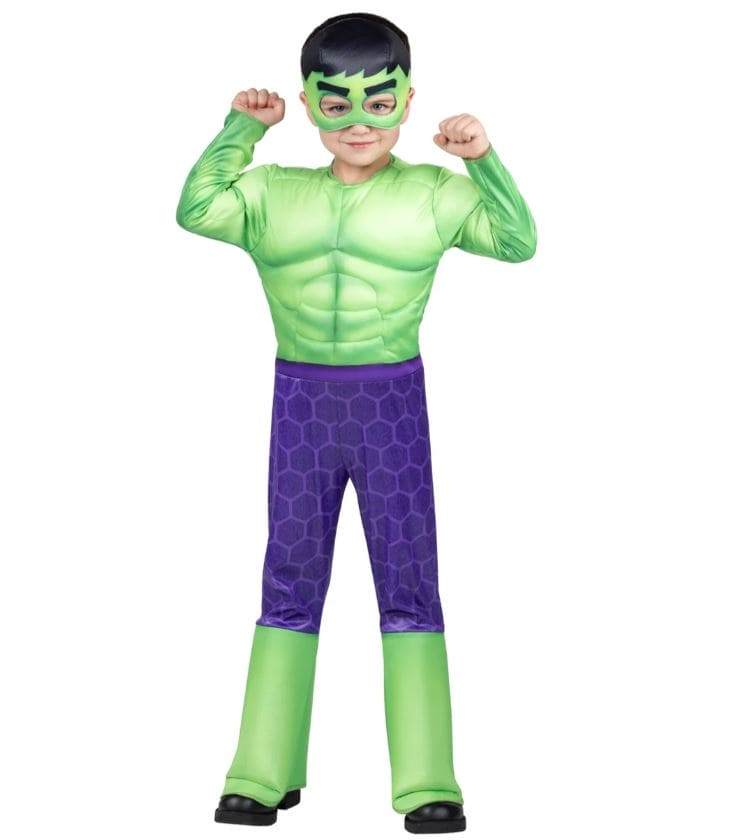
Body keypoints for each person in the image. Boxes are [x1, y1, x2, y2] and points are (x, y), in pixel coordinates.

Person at [176, 11, 537, 835]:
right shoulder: (273, 191)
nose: (360, 122)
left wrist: (483, 159)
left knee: (409, 584)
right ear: (309, 103)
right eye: (337, 104)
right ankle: (261, 771)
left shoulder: (435, 192)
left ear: (407, 99)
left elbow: (517, 243)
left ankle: (428, 781)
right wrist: (241, 128)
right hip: (302, 401)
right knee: (288, 580)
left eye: (379, 101)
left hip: (390, 405)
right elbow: (196, 209)